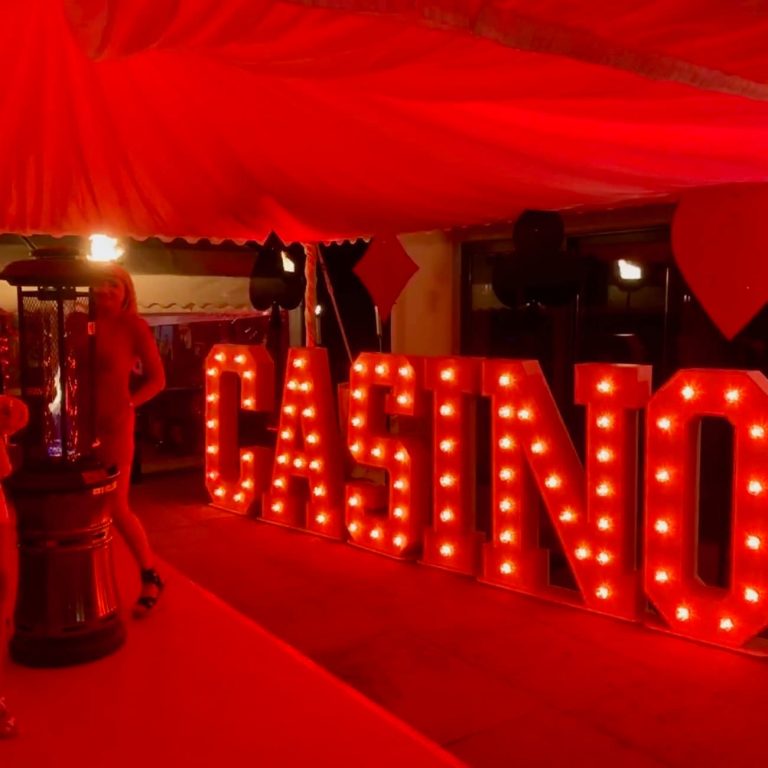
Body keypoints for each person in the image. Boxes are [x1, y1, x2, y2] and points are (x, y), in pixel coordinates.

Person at [91, 264, 166, 617]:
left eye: (113, 284)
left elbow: (157, 379)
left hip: (115, 427)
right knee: (83, 508)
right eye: (99, 283)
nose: (105, 289)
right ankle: (90, 583)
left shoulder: (133, 327)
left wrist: (129, 404)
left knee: (116, 505)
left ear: (125, 293)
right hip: (78, 429)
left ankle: (149, 573)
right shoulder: (78, 324)